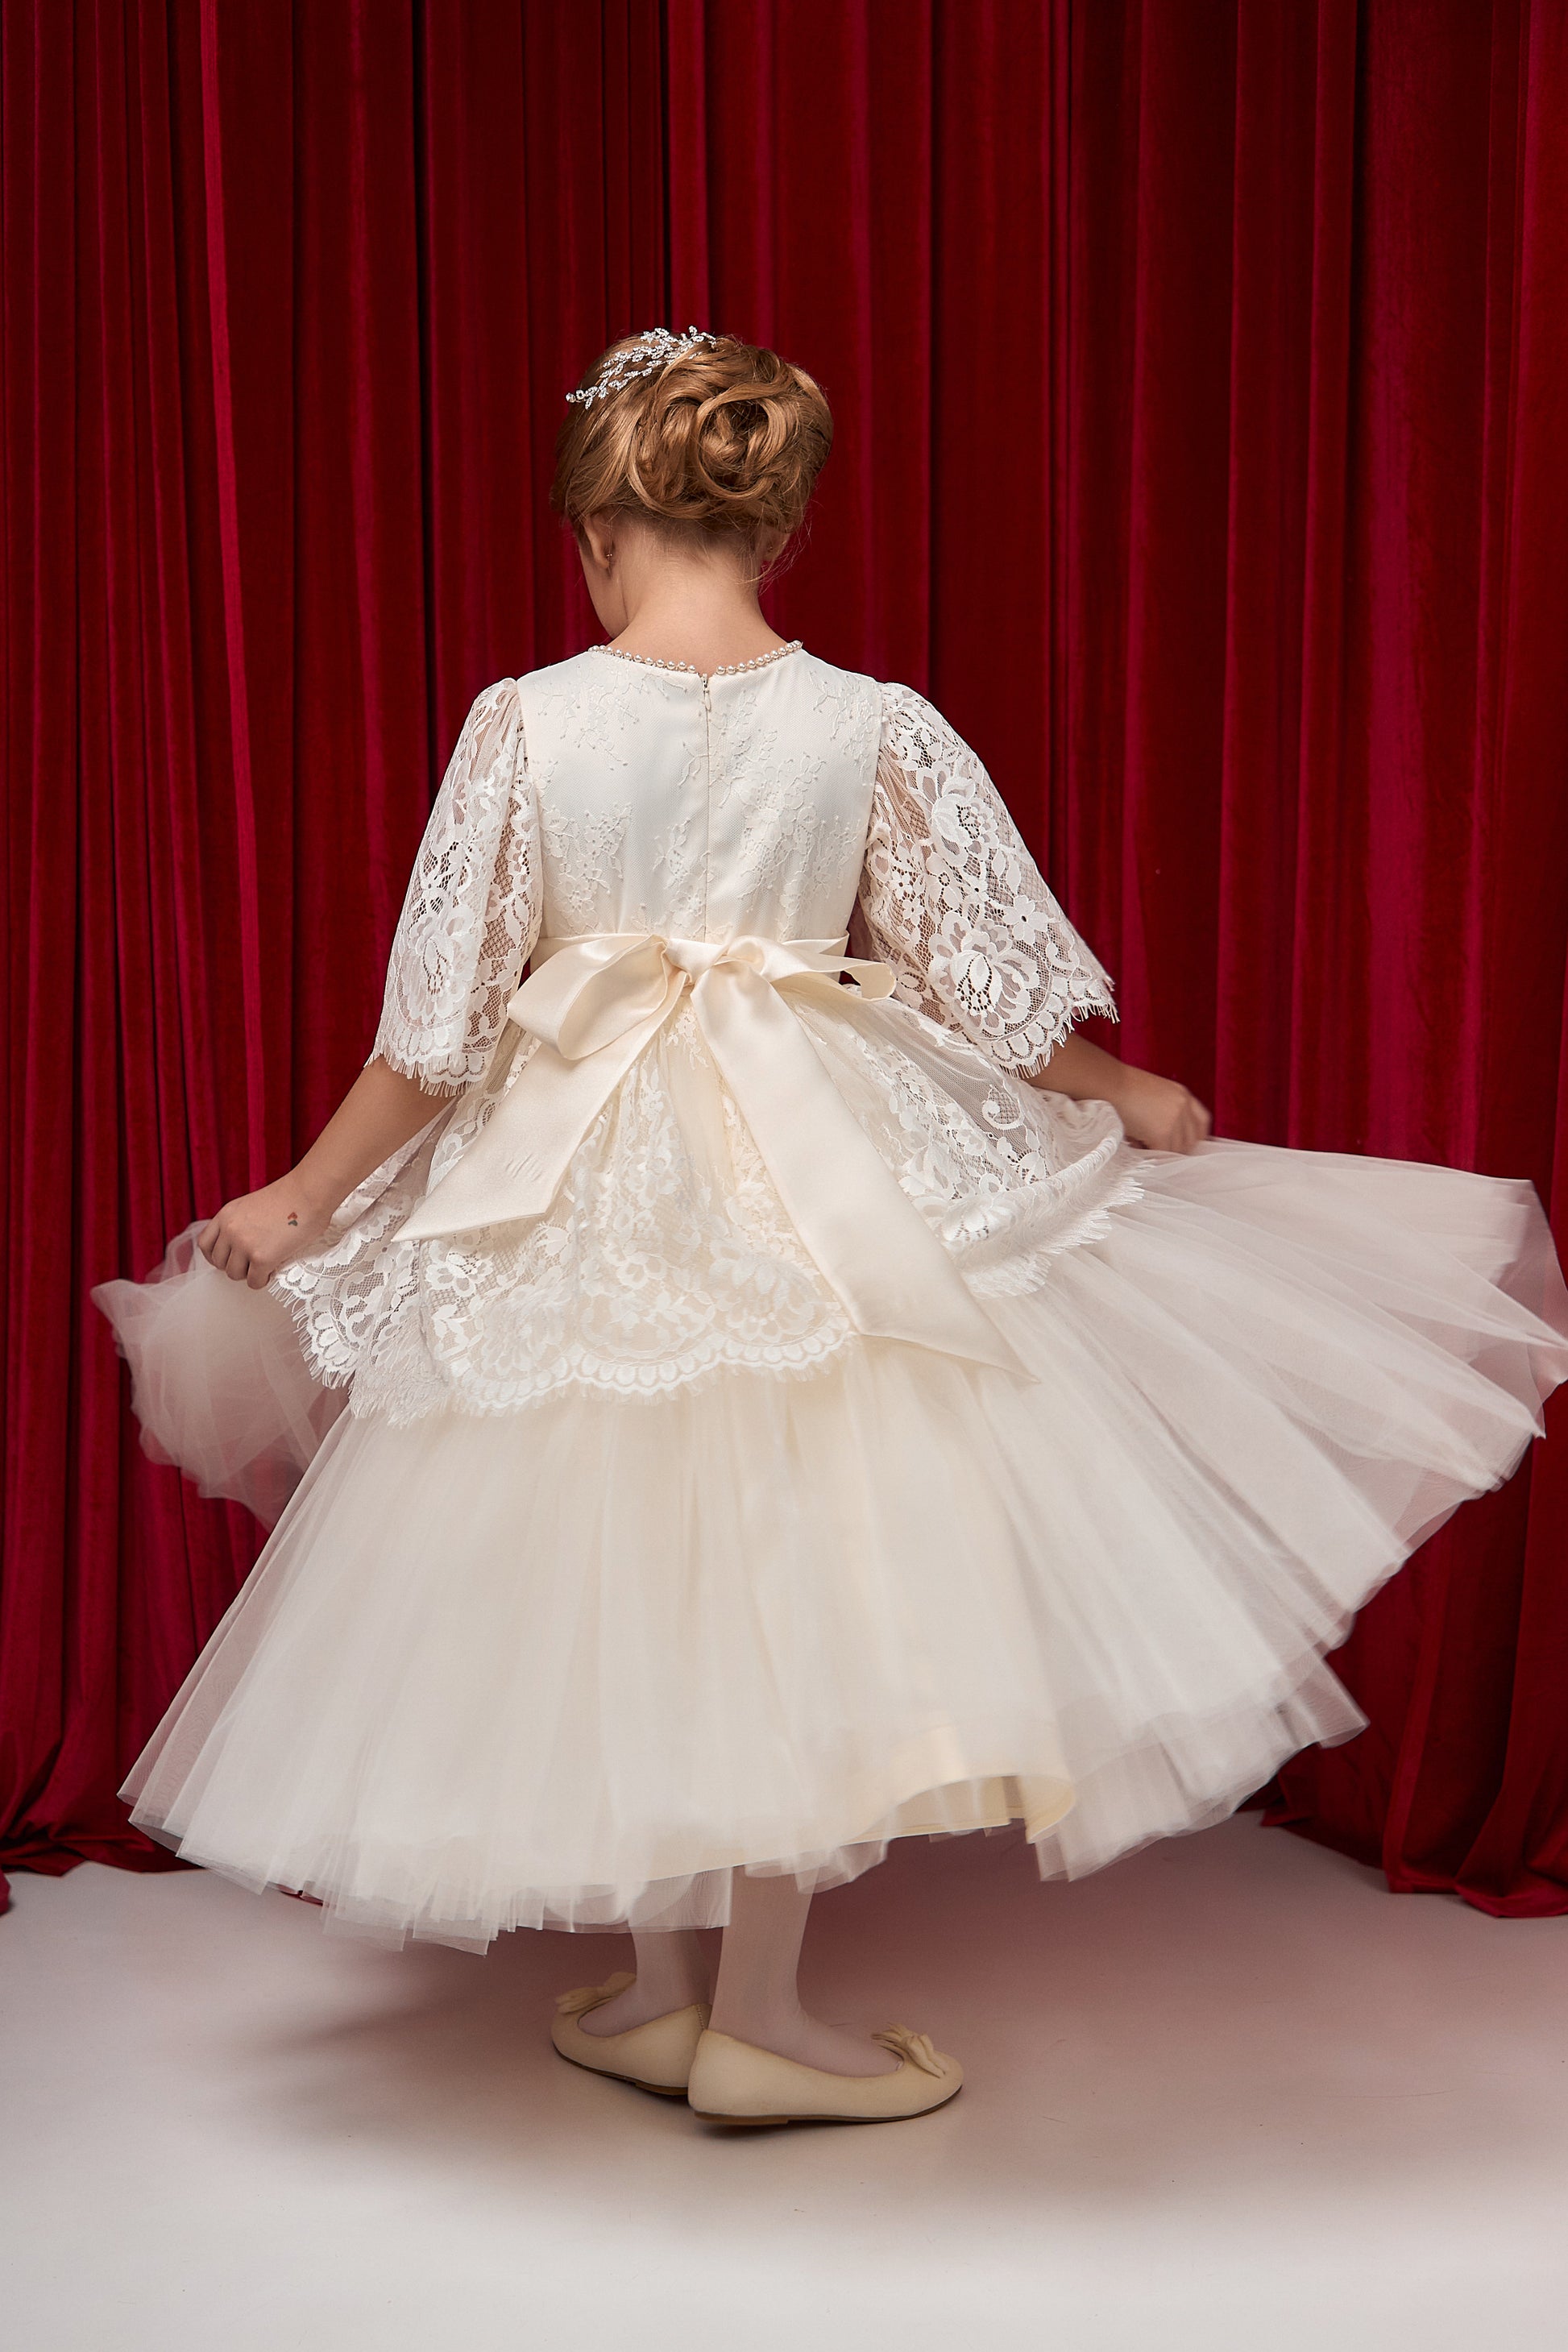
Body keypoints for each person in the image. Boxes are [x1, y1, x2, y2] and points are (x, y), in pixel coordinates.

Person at [95, 327, 1568, 2129]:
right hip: (824, 1171)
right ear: (773, 528)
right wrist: (1125, 1090)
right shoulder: (874, 725)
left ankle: (668, 1994)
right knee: (800, 1565)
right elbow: (993, 991)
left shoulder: (524, 724)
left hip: (582, 1187)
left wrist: (299, 1196)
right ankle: (747, 2013)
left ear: (595, 531)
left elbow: (438, 1032)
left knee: (621, 1563)